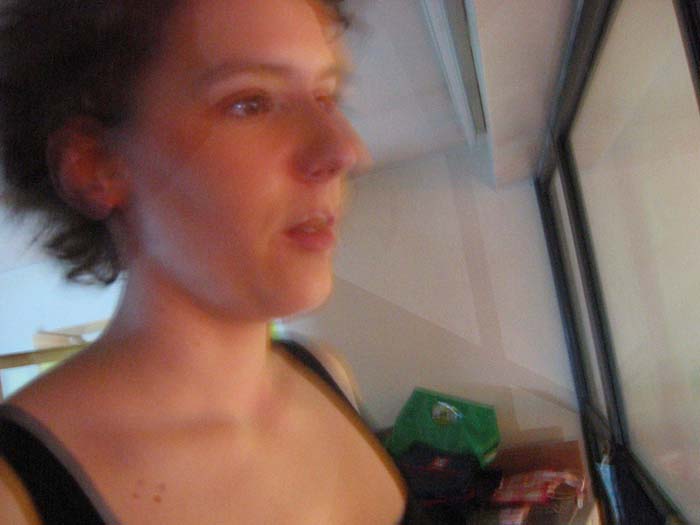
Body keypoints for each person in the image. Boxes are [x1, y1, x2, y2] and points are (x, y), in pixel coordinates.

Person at [0, 1, 414, 523]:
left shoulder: (327, 375)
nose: (345, 150)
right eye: (250, 102)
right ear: (99, 167)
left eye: (327, 97)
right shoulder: (14, 495)